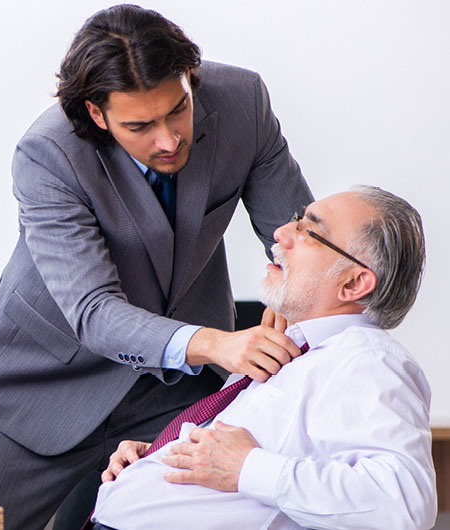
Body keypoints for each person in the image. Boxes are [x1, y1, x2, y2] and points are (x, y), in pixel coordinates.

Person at [0, 5, 313, 528]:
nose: (168, 140)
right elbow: (94, 310)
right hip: (47, 384)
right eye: (140, 126)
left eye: (178, 110)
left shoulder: (244, 103)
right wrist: (220, 342)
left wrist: (291, 305)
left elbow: (298, 240)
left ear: (190, 79)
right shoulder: (48, 152)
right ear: (97, 115)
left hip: (178, 391)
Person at [93, 187, 436, 530]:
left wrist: (247, 468)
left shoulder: (368, 360)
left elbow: (401, 506)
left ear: (353, 283)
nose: (282, 233)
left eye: (310, 232)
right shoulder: (291, 351)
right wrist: (160, 456)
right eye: (296, 220)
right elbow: (246, 454)